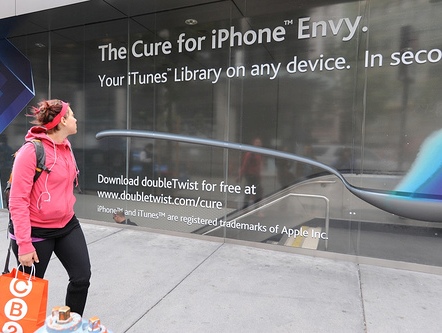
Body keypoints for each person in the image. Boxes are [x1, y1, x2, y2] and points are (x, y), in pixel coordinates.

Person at [8, 99, 91, 316]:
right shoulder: (30, 151)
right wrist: (24, 245)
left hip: (66, 224)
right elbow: (17, 201)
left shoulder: (66, 146)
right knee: (28, 293)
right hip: (36, 231)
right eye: (72, 115)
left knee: (81, 278)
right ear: (62, 121)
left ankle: (70, 326)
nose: (75, 119)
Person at [238, 137, 264, 206]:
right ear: (253, 143)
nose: (258, 144)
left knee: (256, 192)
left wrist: (259, 176)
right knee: (250, 192)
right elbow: (244, 165)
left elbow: (259, 166)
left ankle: (254, 208)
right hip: (250, 175)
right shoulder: (250, 153)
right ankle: (246, 208)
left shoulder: (259, 153)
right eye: (256, 142)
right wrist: (240, 175)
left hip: (256, 176)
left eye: (259, 142)